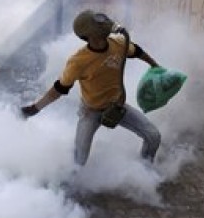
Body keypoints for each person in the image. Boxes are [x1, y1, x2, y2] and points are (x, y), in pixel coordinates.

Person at [21, 10, 162, 166]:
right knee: (79, 159)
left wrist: (155, 66)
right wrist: (35, 108)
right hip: (91, 111)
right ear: (87, 36)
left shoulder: (119, 44)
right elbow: (59, 89)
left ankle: (145, 169)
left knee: (153, 135)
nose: (105, 26)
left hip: (117, 106)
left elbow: (137, 51)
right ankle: (67, 183)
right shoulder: (78, 61)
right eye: (98, 25)